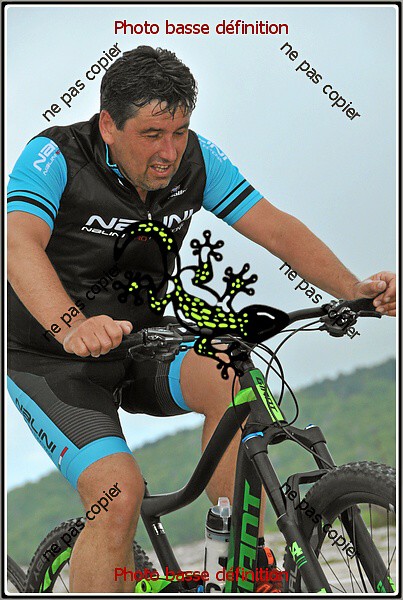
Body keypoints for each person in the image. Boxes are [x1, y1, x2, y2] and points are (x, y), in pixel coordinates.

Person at [7, 45, 396, 593]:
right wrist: (70, 323)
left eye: (180, 131)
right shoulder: (54, 156)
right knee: (118, 495)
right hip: (48, 358)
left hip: (138, 340)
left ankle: (227, 568)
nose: (169, 152)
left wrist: (352, 290)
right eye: (152, 134)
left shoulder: (197, 160)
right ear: (108, 125)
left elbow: (276, 229)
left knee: (231, 375)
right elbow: (18, 243)